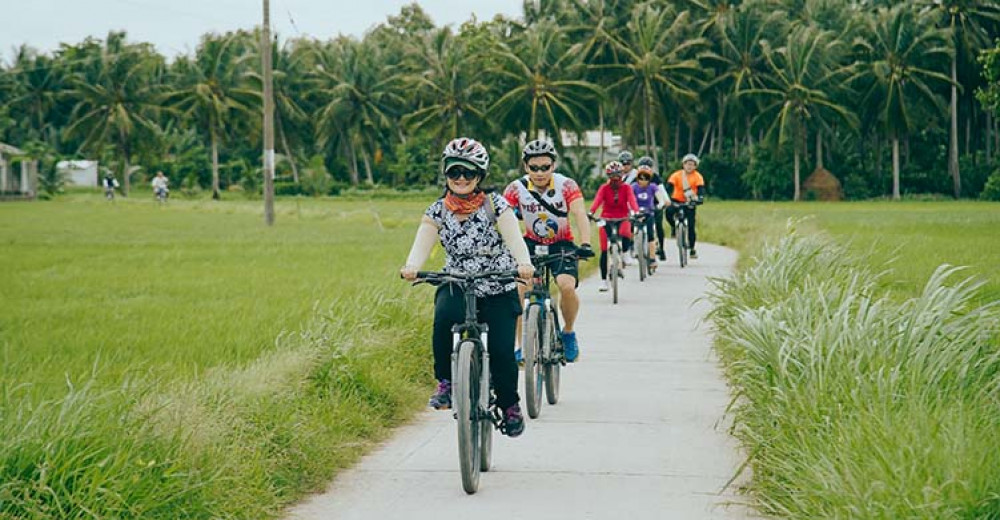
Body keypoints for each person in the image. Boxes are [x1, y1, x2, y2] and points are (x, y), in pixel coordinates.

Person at [401, 137, 534, 438]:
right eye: (454, 172)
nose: (461, 178)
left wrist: (523, 264)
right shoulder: (437, 210)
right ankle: (446, 383)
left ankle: (509, 405)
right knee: (443, 318)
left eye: (469, 173)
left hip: (498, 281)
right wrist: (411, 266)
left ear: (480, 176)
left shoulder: (497, 205)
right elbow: (423, 240)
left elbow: (514, 239)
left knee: (501, 350)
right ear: (446, 174)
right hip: (457, 281)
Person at [503, 138, 594, 363]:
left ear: (553, 165)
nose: (540, 172)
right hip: (530, 244)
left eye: (545, 167)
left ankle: (569, 332)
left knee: (566, 286)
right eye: (534, 168)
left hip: (561, 244)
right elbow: (502, 218)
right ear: (526, 167)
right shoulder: (516, 188)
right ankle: (522, 345)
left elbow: (580, 214)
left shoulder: (567, 185)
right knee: (520, 290)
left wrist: (585, 244)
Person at [588, 161, 639, 292]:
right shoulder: (604, 188)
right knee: (604, 249)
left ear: (622, 175)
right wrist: (591, 212)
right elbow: (597, 201)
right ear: (608, 176)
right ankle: (604, 280)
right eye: (612, 176)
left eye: (618, 176)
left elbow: (632, 200)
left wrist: (636, 212)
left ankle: (626, 253)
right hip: (606, 218)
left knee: (626, 231)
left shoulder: (627, 188)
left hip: (623, 217)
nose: (615, 180)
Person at [665, 153, 706, 259]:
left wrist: (700, 198)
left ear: (695, 166)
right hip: (676, 200)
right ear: (683, 164)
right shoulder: (676, 175)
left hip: (690, 202)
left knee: (691, 225)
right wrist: (666, 198)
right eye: (687, 164)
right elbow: (668, 187)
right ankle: (674, 227)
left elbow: (701, 189)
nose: (689, 166)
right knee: (668, 212)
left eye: (692, 164)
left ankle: (692, 248)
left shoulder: (698, 176)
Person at [630, 163, 667, 269]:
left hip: (649, 212)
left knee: (651, 235)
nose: (643, 181)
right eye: (640, 178)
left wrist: (660, 204)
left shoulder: (653, 187)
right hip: (636, 213)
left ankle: (652, 258)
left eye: (646, 178)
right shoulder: (633, 187)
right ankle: (632, 247)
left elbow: (659, 197)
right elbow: (629, 199)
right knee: (630, 227)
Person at [637, 156, 669, 260]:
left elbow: (661, 189)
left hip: (654, 204)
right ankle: (632, 247)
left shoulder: (655, 178)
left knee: (658, 225)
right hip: (639, 205)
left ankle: (661, 248)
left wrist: (665, 201)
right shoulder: (635, 178)